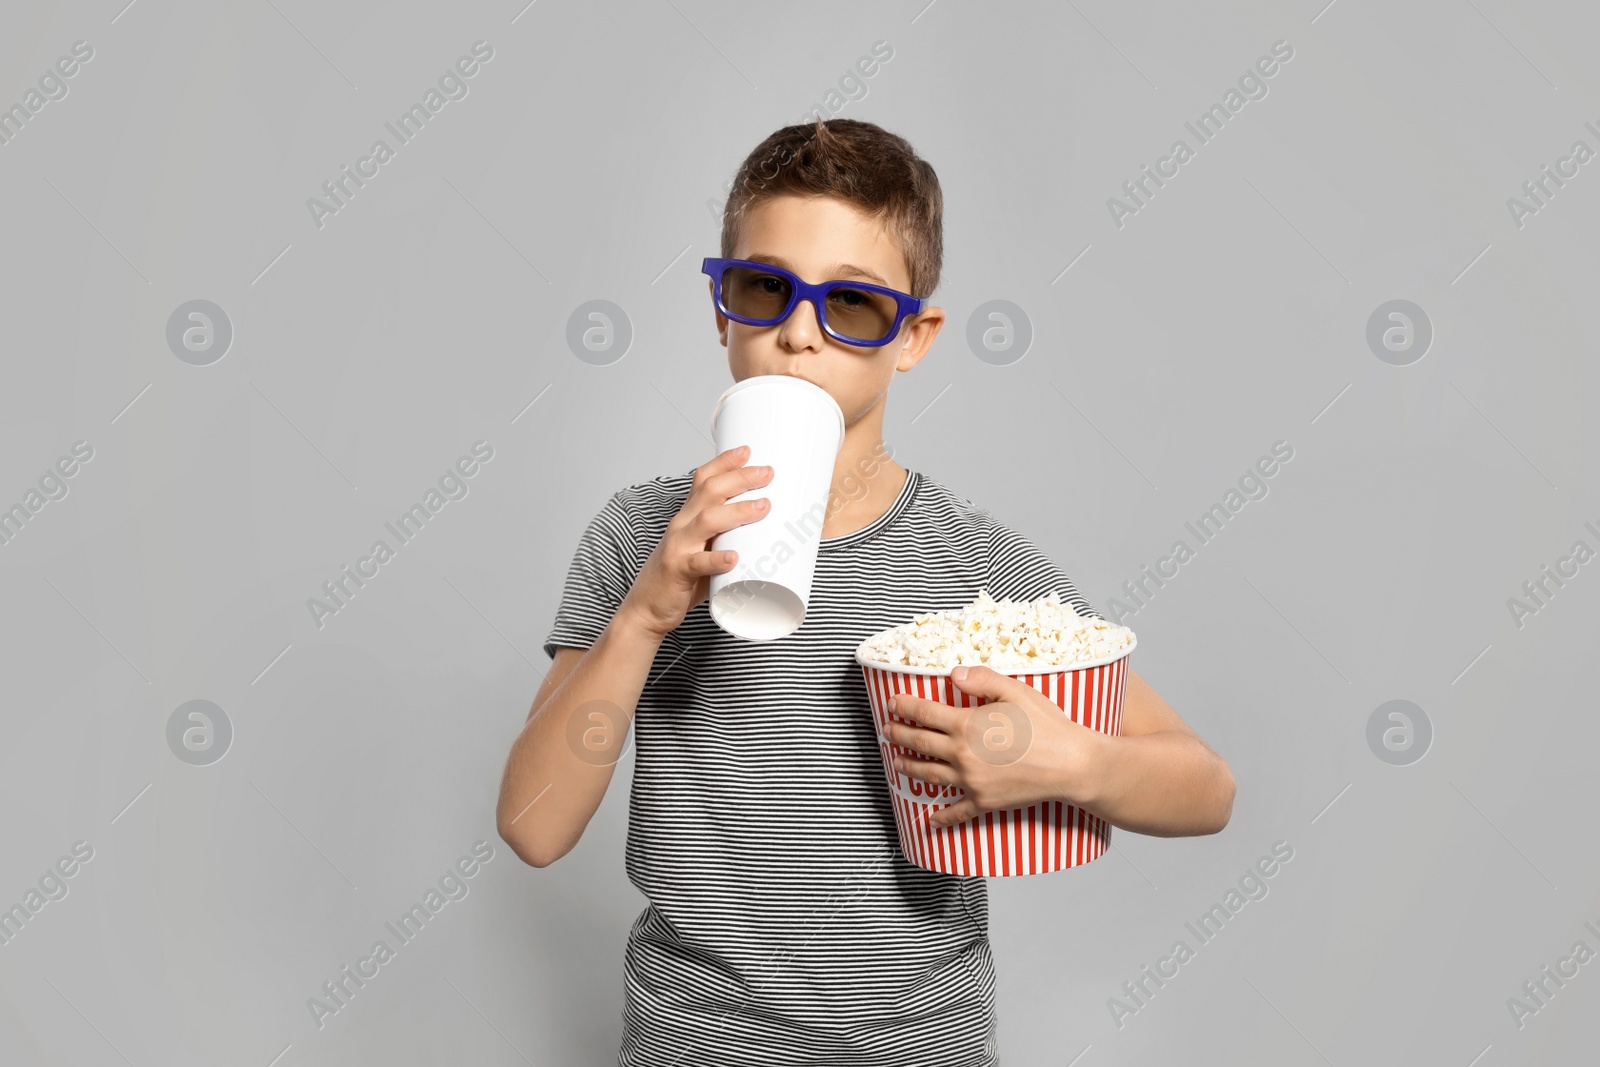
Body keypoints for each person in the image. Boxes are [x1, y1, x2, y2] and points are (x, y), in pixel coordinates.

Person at [496, 117, 1235, 1066]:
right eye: (765, 288)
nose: (799, 331)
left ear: (914, 336)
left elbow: (1205, 786)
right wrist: (643, 615)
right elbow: (533, 825)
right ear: (721, 309)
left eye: (849, 305)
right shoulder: (638, 536)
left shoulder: (974, 567)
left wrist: (1065, 761)